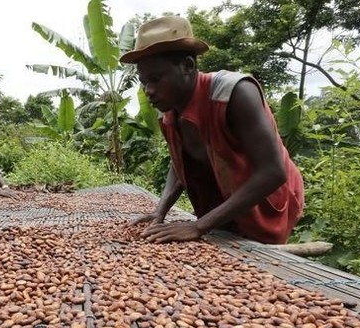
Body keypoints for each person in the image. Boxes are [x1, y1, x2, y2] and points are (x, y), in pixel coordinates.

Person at [121, 16, 304, 245]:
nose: (149, 91)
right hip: (223, 199)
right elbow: (179, 162)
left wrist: (198, 226)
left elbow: (273, 172)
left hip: (266, 202)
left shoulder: (234, 93)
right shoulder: (169, 111)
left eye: (156, 79)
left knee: (259, 261)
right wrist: (160, 211)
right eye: (144, 81)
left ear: (188, 66)